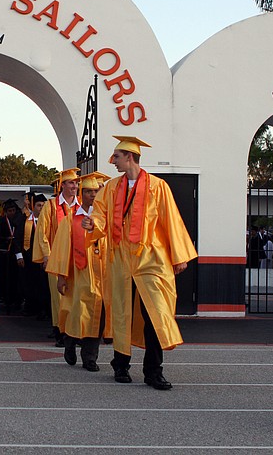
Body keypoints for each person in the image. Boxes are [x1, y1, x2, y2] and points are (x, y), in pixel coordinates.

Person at [82, 136, 197, 390]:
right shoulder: (110, 188)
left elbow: (171, 221)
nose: (113, 161)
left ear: (130, 157)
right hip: (122, 258)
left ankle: (153, 371)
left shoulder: (158, 186)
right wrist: (93, 224)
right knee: (122, 313)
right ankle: (120, 365)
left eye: (117, 157)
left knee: (155, 313)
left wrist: (179, 256)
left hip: (152, 260)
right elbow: (100, 216)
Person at [47, 172, 111, 371]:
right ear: (81, 194)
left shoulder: (106, 220)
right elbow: (62, 251)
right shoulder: (70, 221)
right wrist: (60, 277)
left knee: (98, 316)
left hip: (102, 276)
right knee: (78, 313)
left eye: (96, 191)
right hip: (78, 276)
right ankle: (69, 341)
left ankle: (90, 357)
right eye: (88, 191)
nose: (93, 195)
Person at [33, 168, 80, 346]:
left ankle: (75, 331)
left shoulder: (80, 206)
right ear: (63, 185)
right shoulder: (51, 205)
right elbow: (42, 232)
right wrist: (47, 255)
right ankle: (60, 331)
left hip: (77, 258)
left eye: (76, 183)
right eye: (70, 182)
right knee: (58, 296)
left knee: (76, 295)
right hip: (56, 257)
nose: (74, 186)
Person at [19, 193, 48, 318]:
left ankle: (43, 310)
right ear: (33, 206)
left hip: (44, 259)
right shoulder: (25, 221)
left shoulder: (48, 222)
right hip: (29, 258)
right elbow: (18, 239)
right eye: (39, 205)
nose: (41, 208)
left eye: (43, 205)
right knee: (30, 283)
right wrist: (19, 255)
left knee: (43, 285)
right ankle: (31, 307)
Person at [0, 198, 24, 314]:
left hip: (15, 255)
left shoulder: (19, 220)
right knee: (4, 277)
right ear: (5, 212)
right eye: (9, 211)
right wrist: (6, 239)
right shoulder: (1, 222)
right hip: (3, 254)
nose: (12, 213)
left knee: (16, 278)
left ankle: (17, 299)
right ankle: (6, 298)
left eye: (13, 210)